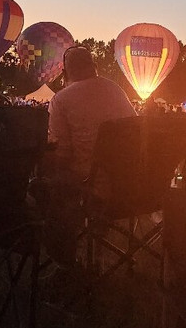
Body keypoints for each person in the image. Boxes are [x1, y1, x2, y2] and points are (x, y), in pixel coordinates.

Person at [39, 46, 135, 265]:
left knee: (44, 185)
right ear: (95, 68)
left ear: (65, 73)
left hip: (93, 187)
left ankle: (64, 262)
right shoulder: (116, 90)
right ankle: (92, 235)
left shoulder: (61, 99)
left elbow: (62, 156)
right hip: (132, 187)